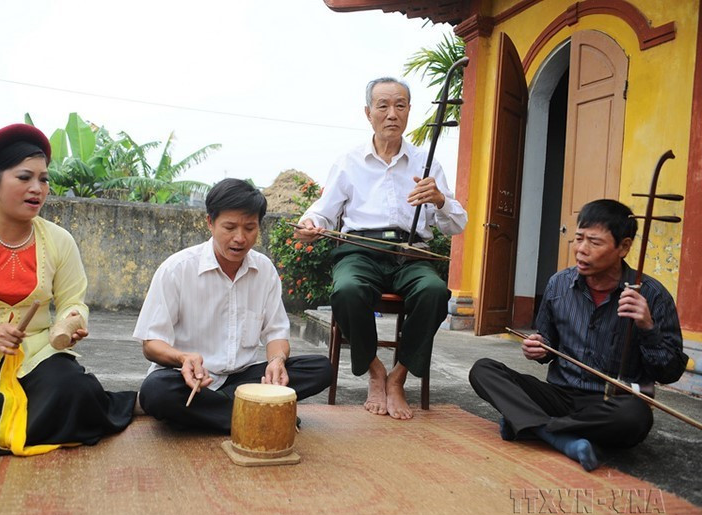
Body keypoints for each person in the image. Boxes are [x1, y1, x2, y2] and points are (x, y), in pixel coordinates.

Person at [0, 124, 136, 459]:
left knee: (75, 389)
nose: (37, 188)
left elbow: (73, 301)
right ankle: (37, 427)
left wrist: (70, 322)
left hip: (37, 356)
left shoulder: (59, 240)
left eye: (44, 179)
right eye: (24, 177)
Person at [469, 199, 687, 471]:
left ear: (624, 247)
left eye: (594, 242)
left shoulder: (652, 295)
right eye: (579, 238)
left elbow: (670, 372)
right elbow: (548, 344)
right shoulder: (558, 284)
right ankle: (555, 436)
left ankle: (530, 424)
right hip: (558, 396)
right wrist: (538, 348)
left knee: (635, 417)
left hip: (608, 404)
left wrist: (647, 327)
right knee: (484, 370)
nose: (581, 249)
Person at [295, 76, 467, 420]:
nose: (392, 114)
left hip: (411, 253)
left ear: (409, 111)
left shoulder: (426, 163)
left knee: (434, 292)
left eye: (400, 105)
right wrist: (310, 224)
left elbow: (456, 224)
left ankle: (398, 376)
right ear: (368, 113)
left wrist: (440, 200)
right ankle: (375, 371)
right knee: (347, 290)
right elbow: (322, 212)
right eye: (383, 106)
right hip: (360, 250)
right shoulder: (349, 162)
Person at [134, 178, 332, 432]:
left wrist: (276, 361)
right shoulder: (177, 269)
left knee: (320, 368)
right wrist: (183, 358)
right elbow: (151, 344)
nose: (240, 238)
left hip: (243, 379)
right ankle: (258, 415)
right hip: (190, 379)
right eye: (229, 227)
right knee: (156, 391)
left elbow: (276, 333)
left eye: (250, 228)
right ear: (210, 222)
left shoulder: (264, 270)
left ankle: (216, 412)